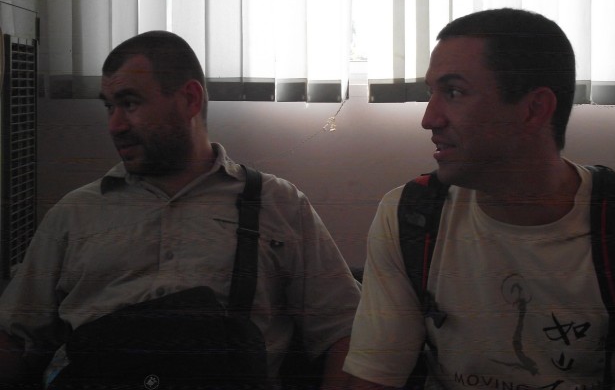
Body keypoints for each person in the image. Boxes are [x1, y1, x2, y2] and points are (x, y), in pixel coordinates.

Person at [0, 30, 361, 388]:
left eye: (130, 104)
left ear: (189, 99)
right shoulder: (73, 213)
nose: (114, 125)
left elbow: (347, 334)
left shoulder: (279, 204)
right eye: (109, 106)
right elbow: (14, 336)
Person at [343, 8, 615, 389]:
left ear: (534, 109)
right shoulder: (411, 216)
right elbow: (375, 378)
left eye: (454, 92)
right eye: (431, 93)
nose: (429, 119)